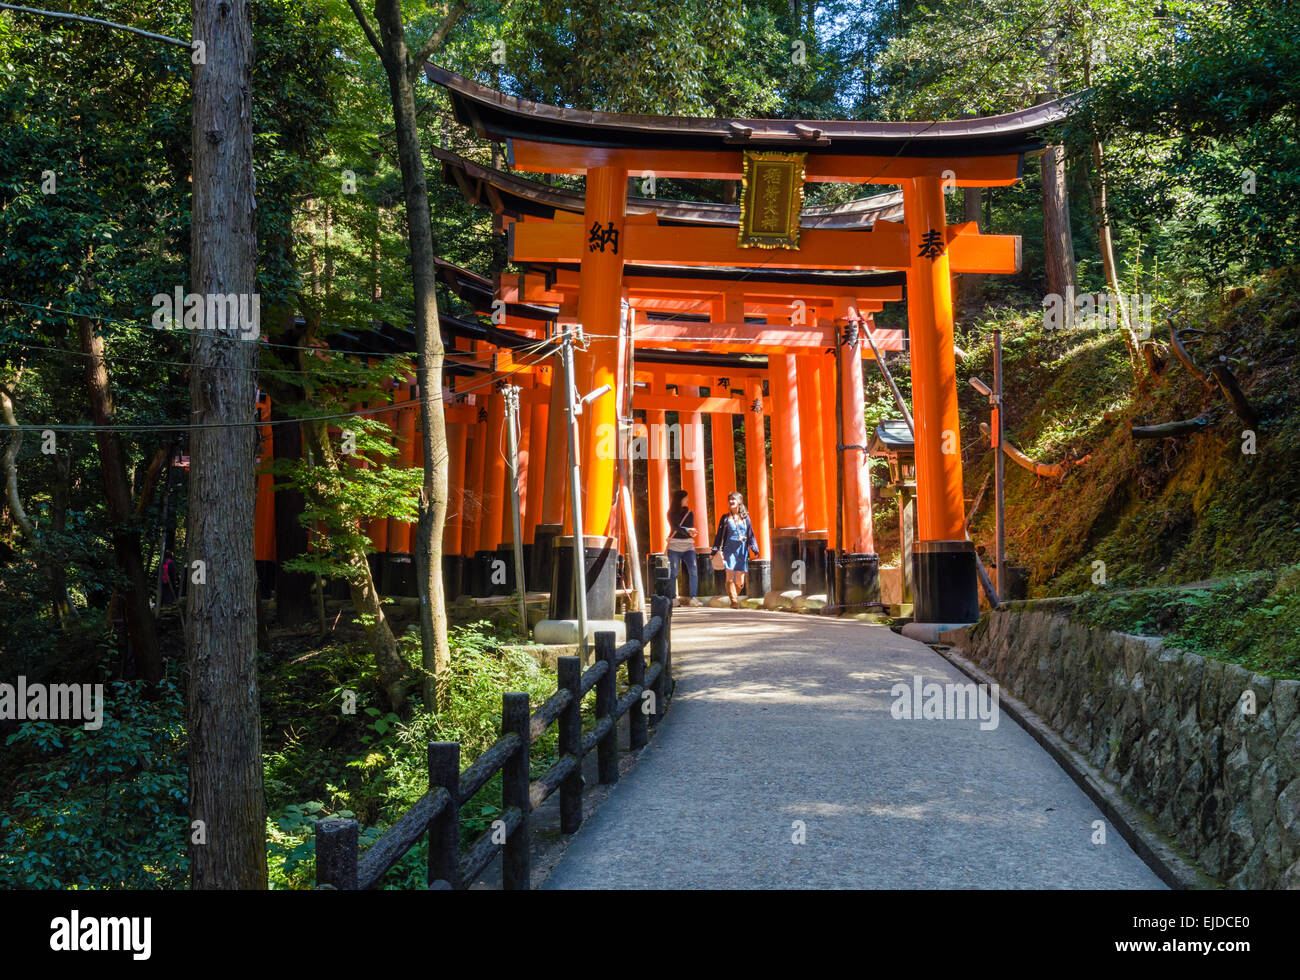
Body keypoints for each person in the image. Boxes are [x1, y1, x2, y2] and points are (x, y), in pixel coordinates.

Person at [711, 491, 760, 608]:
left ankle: (734, 596)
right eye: (730, 499)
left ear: (740, 501)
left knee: (740, 580)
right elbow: (719, 536)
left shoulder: (746, 517)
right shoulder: (725, 518)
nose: (731, 501)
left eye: (734, 499)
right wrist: (714, 551)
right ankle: (733, 601)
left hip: (742, 550)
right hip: (729, 549)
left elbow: (750, 534)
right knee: (729, 574)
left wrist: (755, 549)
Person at [666, 489, 702, 606]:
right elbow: (675, 527)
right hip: (674, 546)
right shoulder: (670, 513)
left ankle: (693, 597)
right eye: (685, 498)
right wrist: (688, 530)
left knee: (693, 570)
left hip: (688, 546)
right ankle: (673, 598)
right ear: (679, 499)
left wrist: (690, 531)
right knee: (674, 572)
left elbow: (687, 529)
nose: (687, 500)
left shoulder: (689, 513)